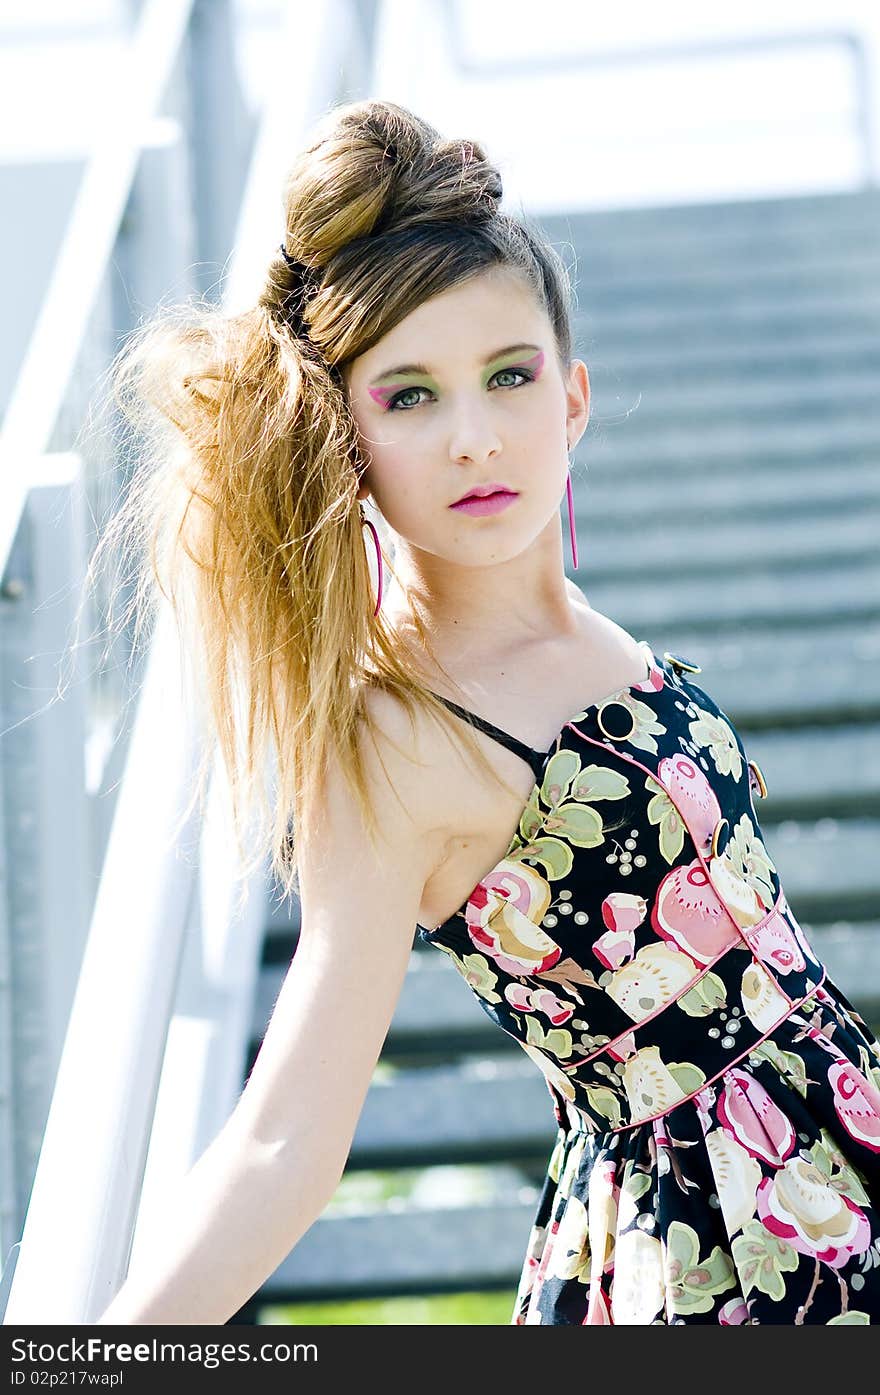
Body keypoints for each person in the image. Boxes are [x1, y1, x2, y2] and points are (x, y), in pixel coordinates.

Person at [91, 98, 880, 1326]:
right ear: (342, 440)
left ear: (570, 399)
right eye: (407, 397)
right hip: (716, 1251)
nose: (474, 438)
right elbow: (283, 1143)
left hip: (842, 1148)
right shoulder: (399, 740)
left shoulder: (591, 637)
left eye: (506, 377)